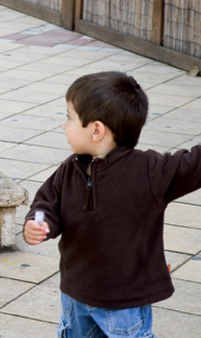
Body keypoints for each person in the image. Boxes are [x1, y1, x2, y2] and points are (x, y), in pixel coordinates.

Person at [23, 71, 201, 338]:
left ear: (96, 129)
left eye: (69, 117)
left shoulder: (150, 171)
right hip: (76, 292)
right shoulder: (70, 168)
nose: (64, 125)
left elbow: (194, 164)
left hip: (125, 301)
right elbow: (46, 201)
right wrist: (38, 222)